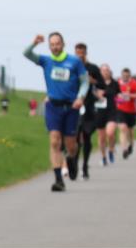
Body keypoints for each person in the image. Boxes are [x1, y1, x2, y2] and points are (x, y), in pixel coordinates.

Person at [23, 32, 90, 192]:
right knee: (54, 141)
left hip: (71, 107)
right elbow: (26, 54)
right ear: (49, 46)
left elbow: (85, 82)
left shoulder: (74, 61)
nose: (55, 47)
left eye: (57, 43)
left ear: (63, 44)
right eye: (52, 44)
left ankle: (72, 158)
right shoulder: (46, 61)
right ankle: (58, 179)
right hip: (53, 106)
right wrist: (34, 43)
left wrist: (80, 97)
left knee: (71, 145)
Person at [73, 43, 103, 179]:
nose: (79, 55)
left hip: (89, 106)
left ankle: (85, 165)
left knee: (86, 136)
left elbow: (102, 84)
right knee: (74, 138)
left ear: (86, 53)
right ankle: (74, 164)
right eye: (77, 53)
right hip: (75, 105)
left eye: (82, 53)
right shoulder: (71, 66)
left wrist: (93, 81)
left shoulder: (93, 68)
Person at [94, 64, 121, 166]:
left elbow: (118, 95)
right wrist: (96, 94)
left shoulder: (115, 83)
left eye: (107, 70)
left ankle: (111, 149)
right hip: (99, 112)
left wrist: (120, 98)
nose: (105, 72)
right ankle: (103, 156)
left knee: (110, 133)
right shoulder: (96, 83)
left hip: (111, 111)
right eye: (103, 70)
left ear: (110, 72)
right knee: (101, 137)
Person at [116, 68, 136, 159]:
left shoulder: (133, 83)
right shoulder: (117, 83)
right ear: (121, 75)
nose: (125, 77)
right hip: (120, 110)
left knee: (130, 132)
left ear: (129, 76)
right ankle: (124, 149)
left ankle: (131, 145)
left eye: (127, 76)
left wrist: (130, 95)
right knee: (123, 129)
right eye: (124, 75)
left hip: (132, 111)